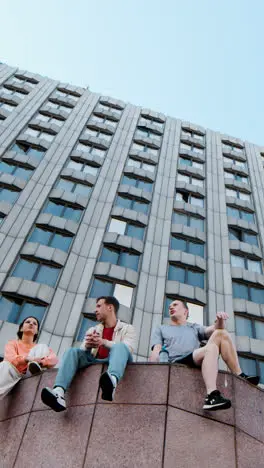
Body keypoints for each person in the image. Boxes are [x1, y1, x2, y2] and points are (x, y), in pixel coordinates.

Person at [150, 299, 260, 411]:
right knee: (211, 348)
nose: (171, 307)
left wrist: (220, 320)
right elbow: (156, 349)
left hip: (193, 358)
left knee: (221, 332)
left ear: (185, 311)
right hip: (174, 362)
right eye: (170, 306)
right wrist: (155, 373)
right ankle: (212, 395)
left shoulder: (193, 327)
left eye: (175, 305)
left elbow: (214, 329)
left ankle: (239, 374)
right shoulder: (161, 328)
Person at [41, 296, 137, 412]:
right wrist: (88, 346)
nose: (95, 310)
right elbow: (81, 352)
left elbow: (129, 348)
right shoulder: (93, 330)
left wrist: (104, 342)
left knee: (121, 346)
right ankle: (59, 393)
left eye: (98, 306)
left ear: (110, 307)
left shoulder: (128, 328)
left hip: (118, 362)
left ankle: (111, 382)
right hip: (95, 361)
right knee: (72, 351)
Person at [0, 316, 58, 399]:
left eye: (35, 324)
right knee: (4, 365)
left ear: (36, 332)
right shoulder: (12, 343)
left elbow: (54, 359)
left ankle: (35, 366)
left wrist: (42, 362)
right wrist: (27, 359)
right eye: (28, 322)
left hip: (31, 374)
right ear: (21, 328)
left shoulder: (39, 348)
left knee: (42, 346)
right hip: (14, 374)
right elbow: (11, 358)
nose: (31, 324)